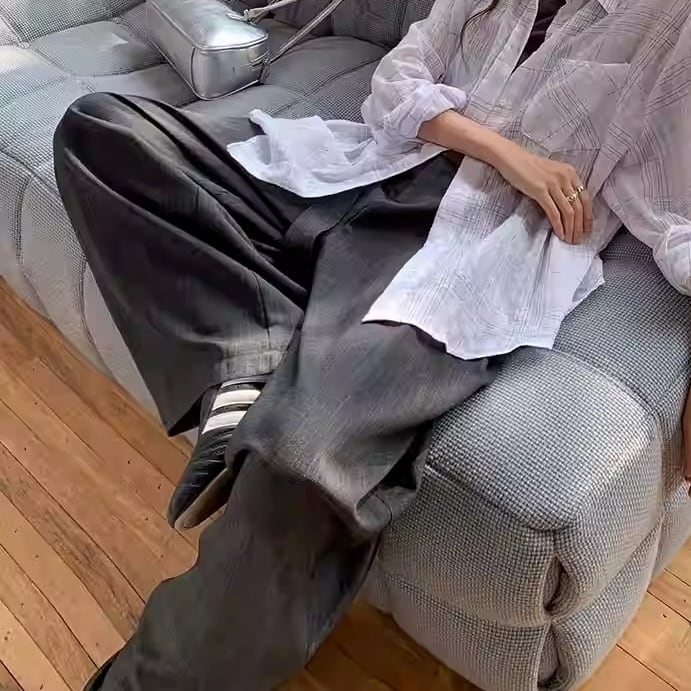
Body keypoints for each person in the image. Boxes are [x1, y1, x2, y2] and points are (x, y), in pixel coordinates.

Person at [52, 0, 691, 688]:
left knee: (302, 465)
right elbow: (394, 83)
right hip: (353, 173)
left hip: (460, 252)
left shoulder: (667, 27)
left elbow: (678, 211)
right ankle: (252, 355)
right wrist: (512, 156)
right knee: (101, 132)